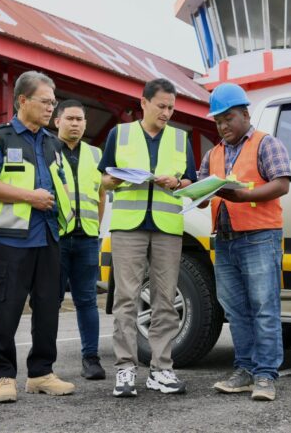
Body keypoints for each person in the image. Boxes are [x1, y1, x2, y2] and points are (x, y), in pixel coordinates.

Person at [0, 71, 76, 404]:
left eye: (53, 102)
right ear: (22, 101)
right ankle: (3, 375)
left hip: (48, 237)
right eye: (45, 101)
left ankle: (41, 373)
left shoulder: (52, 142)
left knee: (48, 307)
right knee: (5, 308)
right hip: (10, 240)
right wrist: (29, 197)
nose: (51, 108)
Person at [98, 78, 197, 398]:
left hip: (167, 227)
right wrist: (117, 179)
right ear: (143, 103)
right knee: (126, 297)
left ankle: (161, 369)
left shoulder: (182, 140)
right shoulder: (120, 134)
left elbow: (190, 183)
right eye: (161, 106)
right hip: (129, 225)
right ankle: (125, 368)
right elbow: (105, 179)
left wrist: (176, 182)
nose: (167, 112)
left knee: (165, 300)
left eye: (171, 107)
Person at [198, 83, 291, 402]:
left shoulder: (267, 144)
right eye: (218, 121)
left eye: (228, 118)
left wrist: (244, 196)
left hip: (259, 237)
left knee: (264, 307)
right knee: (236, 309)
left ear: (245, 114)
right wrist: (191, 192)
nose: (223, 126)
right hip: (224, 240)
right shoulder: (213, 153)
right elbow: (201, 192)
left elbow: (281, 184)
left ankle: (265, 375)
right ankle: (245, 369)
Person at [55, 99, 107, 380]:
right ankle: (44, 363)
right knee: (49, 300)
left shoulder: (96, 154)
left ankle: (91, 359)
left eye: (80, 119)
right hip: (57, 238)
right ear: (57, 121)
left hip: (87, 237)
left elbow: (100, 195)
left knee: (86, 300)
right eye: (70, 118)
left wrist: (94, 227)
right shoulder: (47, 150)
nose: (75, 123)